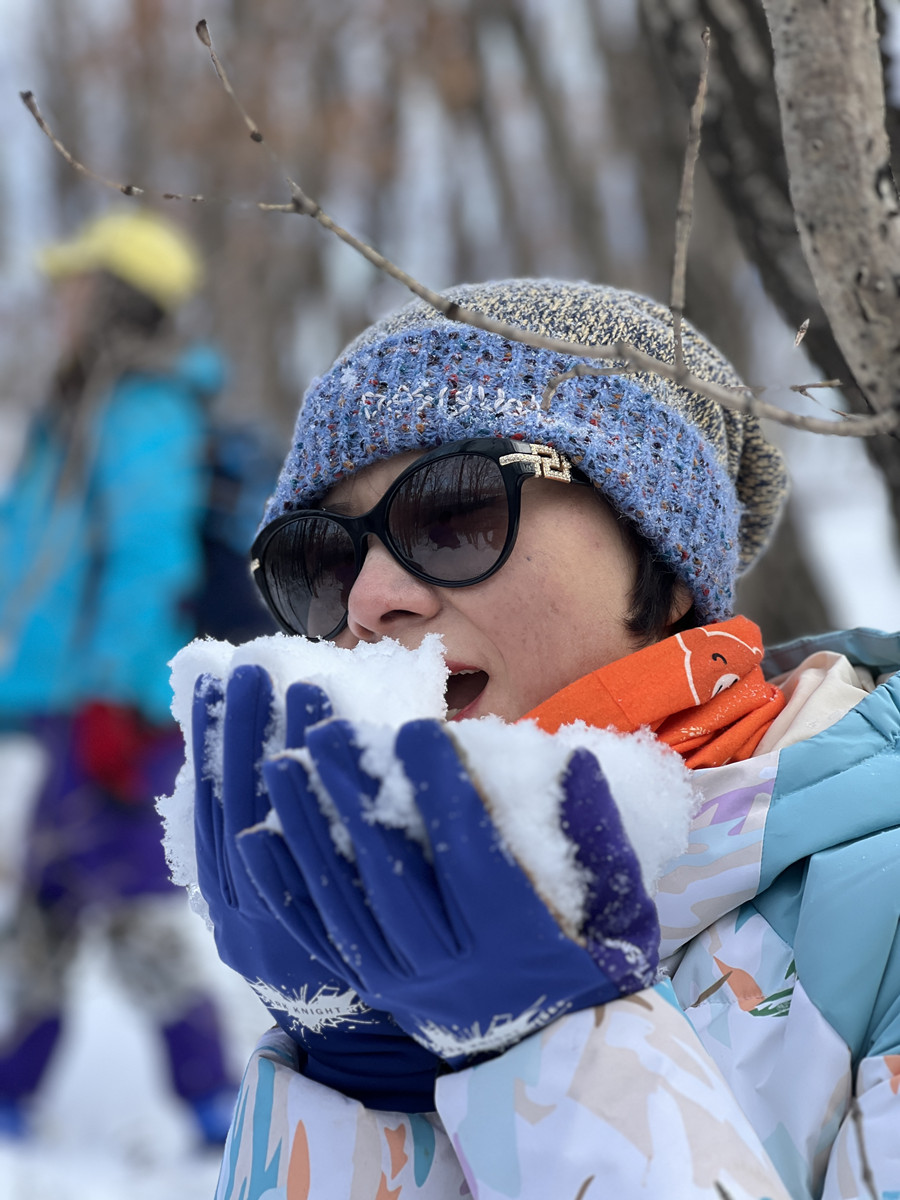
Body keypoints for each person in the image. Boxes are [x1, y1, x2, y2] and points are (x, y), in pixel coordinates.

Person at [188, 280, 900, 1199]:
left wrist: (552, 1045)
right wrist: (364, 1074)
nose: (367, 601)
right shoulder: (380, 905)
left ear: (663, 561)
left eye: (451, 516)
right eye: (322, 560)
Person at [0, 209, 239, 1145]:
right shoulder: (87, 403)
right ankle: (15, 1088)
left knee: (128, 900)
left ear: (113, 299)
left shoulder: (145, 408)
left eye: (76, 287)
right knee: (51, 898)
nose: (59, 303)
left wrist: (116, 694)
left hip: (116, 707)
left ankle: (213, 1099)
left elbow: (149, 563)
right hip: (73, 698)